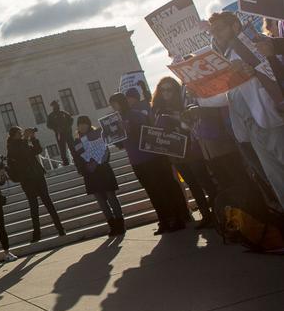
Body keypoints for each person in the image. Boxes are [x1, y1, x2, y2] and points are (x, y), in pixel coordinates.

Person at [209, 12, 284, 209]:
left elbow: (274, 72)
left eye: (219, 29)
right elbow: (226, 98)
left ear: (235, 26)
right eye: (213, 31)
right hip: (251, 127)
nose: (215, 34)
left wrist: (253, 70)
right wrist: (200, 91)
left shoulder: (255, 43)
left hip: (272, 118)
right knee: (276, 178)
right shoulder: (224, 58)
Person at [109, 92, 187, 234]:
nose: (114, 107)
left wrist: (129, 130)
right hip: (136, 161)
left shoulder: (135, 115)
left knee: (162, 188)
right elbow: (121, 144)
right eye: (112, 105)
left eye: (115, 104)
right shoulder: (118, 120)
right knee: (151, 191)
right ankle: (163, 220)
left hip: (150, 158)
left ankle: (177, 217)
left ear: (122, 102)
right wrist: (113, 136)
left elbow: (147, 133)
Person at [151, 77, 216, 229]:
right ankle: (206, 215)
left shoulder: (182, 104)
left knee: (203, 181)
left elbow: (189, 125)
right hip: (175, 153)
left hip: (190, 148)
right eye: (163, 90)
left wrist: (176, 119)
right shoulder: (158, 108)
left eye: (169, 89)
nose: (166, 93)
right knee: (192, 184)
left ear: (176, 90)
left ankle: (218, 211)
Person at [6, 127, 66, 242]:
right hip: (27, 180)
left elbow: (38, 150)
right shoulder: (12, 147)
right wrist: (26, 139)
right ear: (13, 135)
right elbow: (21, 153)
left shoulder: (24, 143)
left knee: (48, 202)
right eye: (19, 133)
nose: (22, 134)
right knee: (34, 207)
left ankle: (60, 228)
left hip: (38, 176)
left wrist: (33, 138)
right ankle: (37, 234)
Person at [72, 116, 125, 235]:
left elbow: (106, 151)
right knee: (101, 201)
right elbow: (77, 158)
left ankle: (120, 224)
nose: (82, 126)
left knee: (111, 197)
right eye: (80, 124)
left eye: (85, 123)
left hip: (103, 170)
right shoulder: (76, 141)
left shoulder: (98, 134)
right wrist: (84, 169)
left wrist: (99, 161)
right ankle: (112, 225)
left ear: (89, 124)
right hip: (90, 174)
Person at [46, 101, 73, 166]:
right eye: (55, 105)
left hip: (67, 132)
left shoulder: (64, 113)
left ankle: (76, 157)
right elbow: (48, 125)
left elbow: (71, 120)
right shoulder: (51, 115)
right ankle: (65, 161)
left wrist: (67, 127)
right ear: (53, 107)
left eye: (58, 105)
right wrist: (55, 128)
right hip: (59, 133)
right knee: (62, 148)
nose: (57, 106)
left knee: (72, 146)